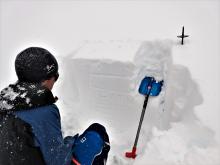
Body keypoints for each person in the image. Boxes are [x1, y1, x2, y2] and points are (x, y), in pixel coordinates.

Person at [0, 47, 110, 165]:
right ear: (44, 80)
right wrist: (71, 142)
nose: (55, 80)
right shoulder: (42, 110)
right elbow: (59, 160)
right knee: (97, 134)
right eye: (55, 76)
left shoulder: (6, 102)